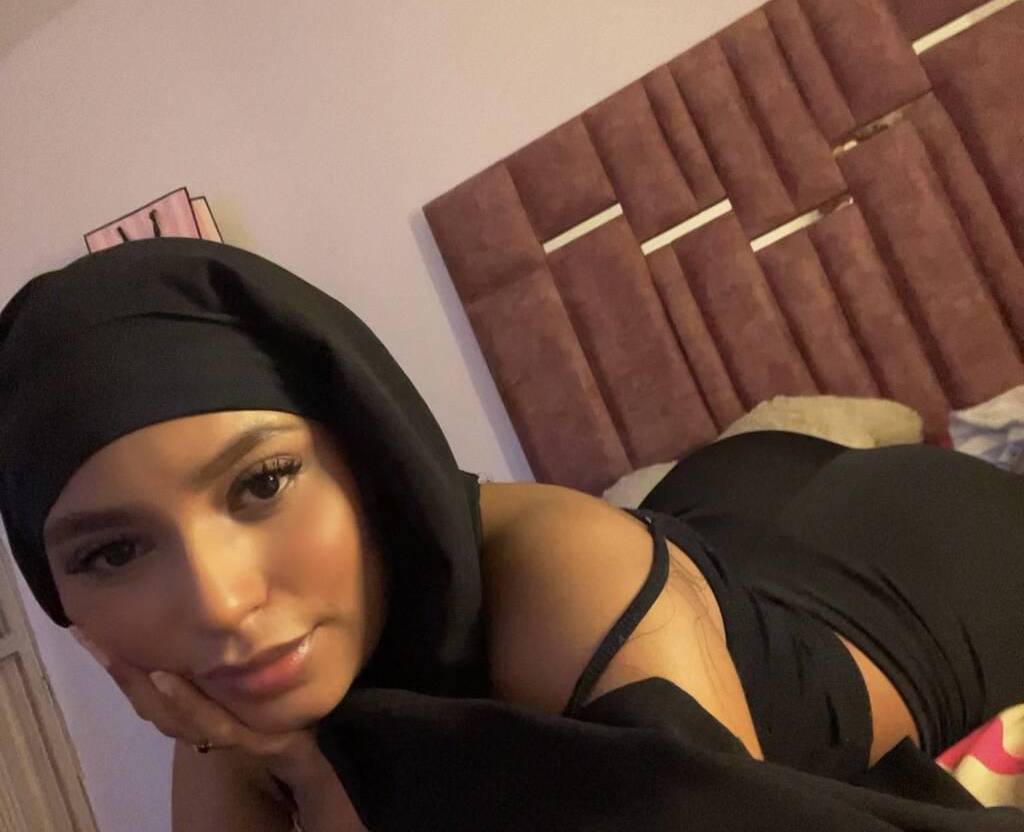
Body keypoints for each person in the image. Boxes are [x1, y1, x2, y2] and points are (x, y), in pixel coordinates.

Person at [1, 237, 1022, 832]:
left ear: (367, 453)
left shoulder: (565, 573)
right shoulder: (220, 697)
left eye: (262, 482)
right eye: (112, 552)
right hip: (717, 502)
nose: (221, 600)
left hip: (919, 557)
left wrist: (320, 770)